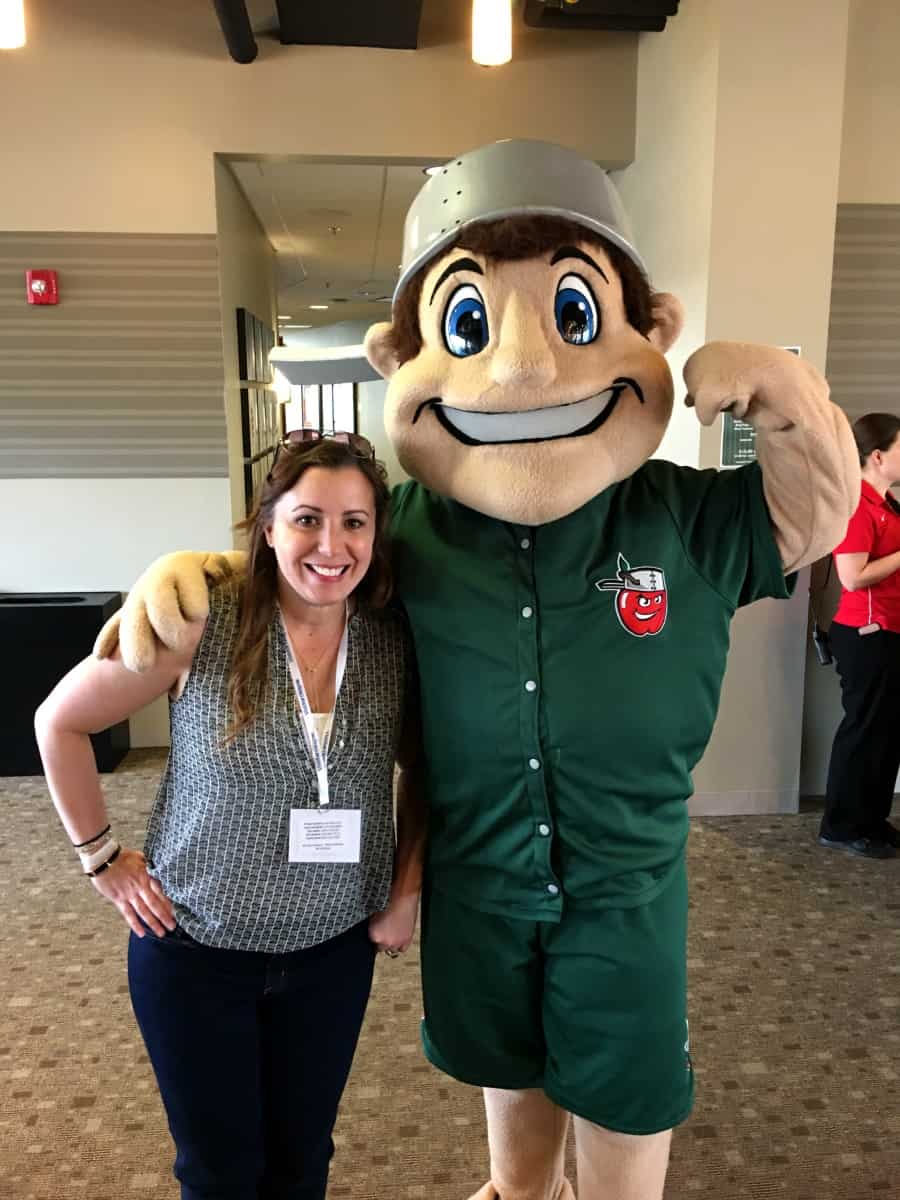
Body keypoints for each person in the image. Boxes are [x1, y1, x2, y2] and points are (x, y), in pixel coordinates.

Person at [93, 140, 859, 1200]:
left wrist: (788, 396)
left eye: (576, 314)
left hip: (625, 894)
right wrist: (203, 570)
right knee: (508, 1082)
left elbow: (814, 519)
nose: (521, 367)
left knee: (623, 1094)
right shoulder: (408, 528)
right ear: (396, 356)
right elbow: (317, 557)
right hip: (478, 884)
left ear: (654, 332)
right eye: (468, 325)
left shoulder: (681, 518)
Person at [34, 433, 425, 1200]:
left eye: (354, 523)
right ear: (268, 525)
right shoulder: (203, 621)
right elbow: (59, 723)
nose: (331, 545)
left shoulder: (391, 638)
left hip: (332, 953)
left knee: (303, 1162)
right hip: (195, 951)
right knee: (218, 1174)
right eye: (307, 519)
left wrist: (406, 885)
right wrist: (103, 858)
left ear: (376, 536)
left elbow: (429, 769)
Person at [819, 412, 900, 860]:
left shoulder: (887, 504)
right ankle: (842, 826)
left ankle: (871, 820)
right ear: (877, 455)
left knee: (886, 733)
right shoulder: (857, 506)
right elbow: (853, 577)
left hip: (890, 632)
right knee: (864, 731)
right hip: (867, 634)